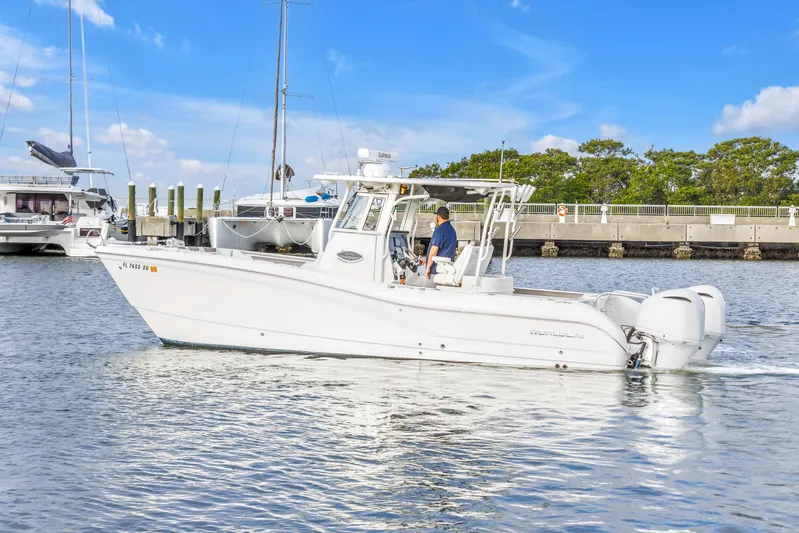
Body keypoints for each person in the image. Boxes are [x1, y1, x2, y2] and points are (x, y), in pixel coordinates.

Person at [424, 206, 457, 279]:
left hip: (436, 269)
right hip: (447, 267)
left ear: (438, 217)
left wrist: (428, 267)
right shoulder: (452, 230)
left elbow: (434, 250)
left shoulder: (439, 230)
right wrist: (425, 260)